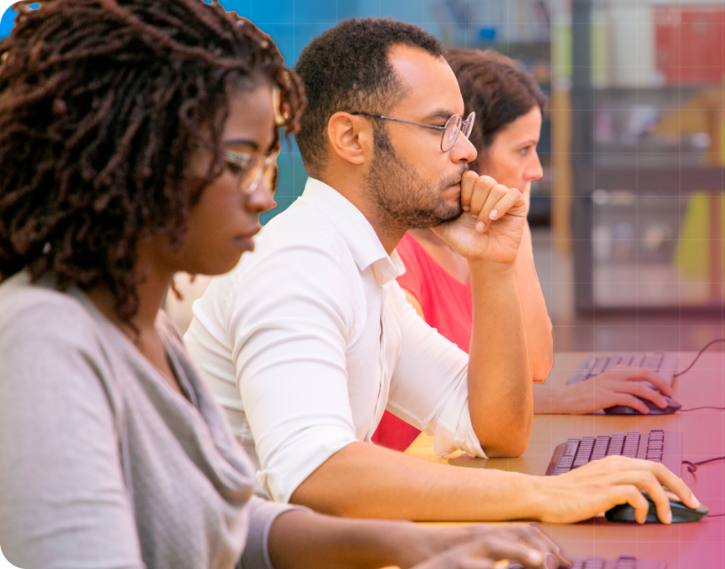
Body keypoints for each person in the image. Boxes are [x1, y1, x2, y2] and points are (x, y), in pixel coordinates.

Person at [0, 1, 565, 567]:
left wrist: (422, 544)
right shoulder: (47, 338)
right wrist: (542, 494)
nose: (263, 195)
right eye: (240, 161)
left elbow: (228, 524)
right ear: (143, 160)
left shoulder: (144, 329)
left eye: (266, 163)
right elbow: (314, 473)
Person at [184, 17, 701, 523]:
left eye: (462, 128)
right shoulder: (298, 265)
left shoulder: (367, 271)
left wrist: (493, 266)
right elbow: (316, 476)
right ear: (352, 139)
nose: (468, 151)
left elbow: (496, 428)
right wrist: (543, 494)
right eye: (440, 128)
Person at [371, 48, 678, 452]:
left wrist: (518, 236)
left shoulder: (472, 250)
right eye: (522, 150)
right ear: (470, 152)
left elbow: (535, 365)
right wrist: (570, 398)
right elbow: (449, 412)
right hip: (419, 477)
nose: (536, 170)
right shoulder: (402, 264)